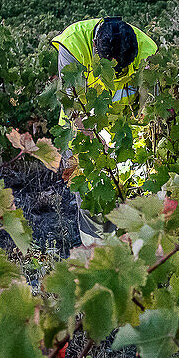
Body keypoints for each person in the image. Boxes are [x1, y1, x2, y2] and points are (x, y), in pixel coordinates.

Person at [51, 16, 158, 246]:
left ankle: (133, 256)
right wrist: (94, 143)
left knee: (133, 197)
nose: (119, 75)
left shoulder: (146, 50)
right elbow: (72, 105)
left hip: (125, 134)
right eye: (114, 69)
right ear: (97, 52)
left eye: (124, 69)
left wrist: (138, 142)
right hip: (81, 132)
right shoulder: (73, 45)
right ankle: (97, 260)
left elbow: (149, 108)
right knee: (94, 203)